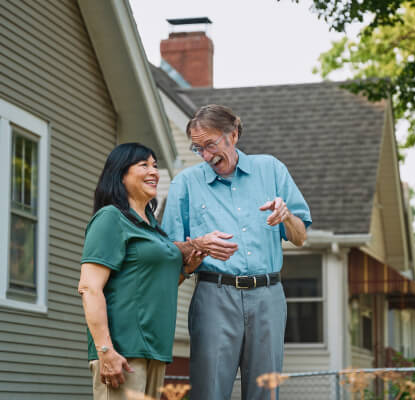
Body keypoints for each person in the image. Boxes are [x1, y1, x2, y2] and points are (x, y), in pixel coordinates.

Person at [162, 104, 312, 400]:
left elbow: (301, 236)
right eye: (198, 148)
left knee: (265, 392)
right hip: (214, 296)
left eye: (210, 144)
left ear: (233, 135)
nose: (205, 155)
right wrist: (198, 245)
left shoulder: (271, 170)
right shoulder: (185, 185)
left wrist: (287, 216)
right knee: (210, 392)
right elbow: (168, 253)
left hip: (268, 296)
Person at [78, 143, 204, 400]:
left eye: (155, 166)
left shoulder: (151, 227)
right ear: (120, 174)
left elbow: (152, 285)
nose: (154, 172)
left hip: (154, 349)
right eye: (143, 165)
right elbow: (89, 287)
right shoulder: (111, 218)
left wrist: (187, 269)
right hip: (123, 351)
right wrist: (106, 350)